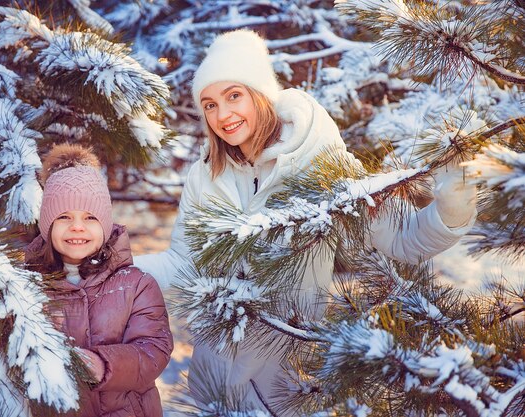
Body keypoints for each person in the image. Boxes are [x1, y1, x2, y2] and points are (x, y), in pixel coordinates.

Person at [134, 30, 477, 413]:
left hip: (284, 380)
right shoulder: (206, 173)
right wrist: (114, 263)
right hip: (215, 375)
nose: (223, 115)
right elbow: (184, 262)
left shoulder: (320, 161)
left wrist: (452, 209)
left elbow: (402, 239)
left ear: (260, 93)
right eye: (210, 104)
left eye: (234, 96)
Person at [25, 144, 173, 417]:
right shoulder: (27, 287)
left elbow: (154, 350)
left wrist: (103, 364)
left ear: (105, 225)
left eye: (90, 217)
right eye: (64, 217)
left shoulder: (136, 285)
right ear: (47, 226)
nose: (77, 226)